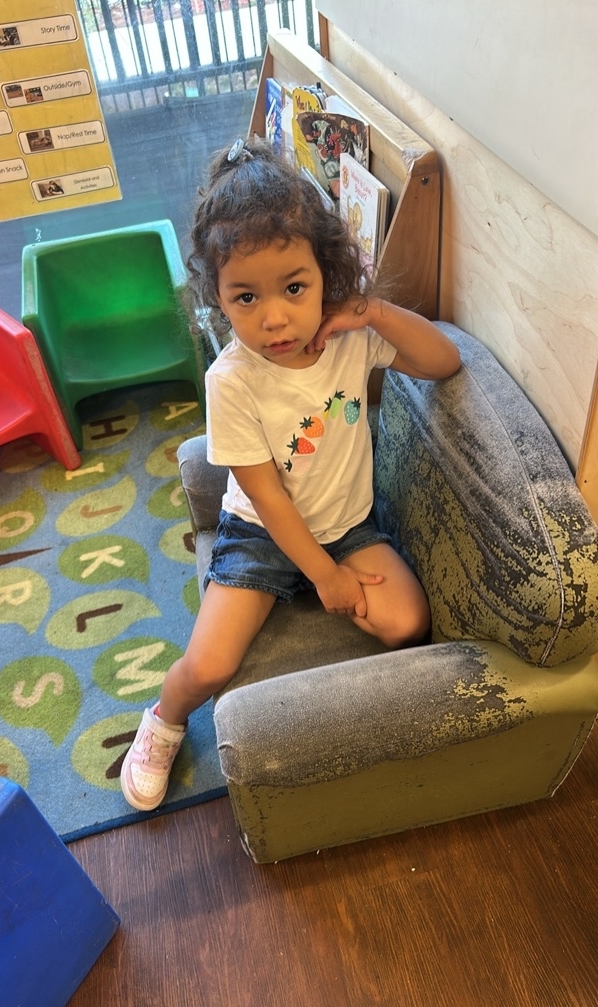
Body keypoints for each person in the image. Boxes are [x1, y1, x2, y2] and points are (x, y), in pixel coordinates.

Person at [120, 136, 461, 811]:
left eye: (294, 288)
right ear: (217, 298)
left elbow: (444, 361)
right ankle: (162, 718)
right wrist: (323, 576)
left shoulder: (351, 336)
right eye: (245, 298)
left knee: (404, 622)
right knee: (212, 665)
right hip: (262, 535)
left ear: (325, 274)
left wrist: (370, 311)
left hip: (349, 522)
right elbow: (267, 493)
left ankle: (315, 592)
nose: (274, 317)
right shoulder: (232, 379)